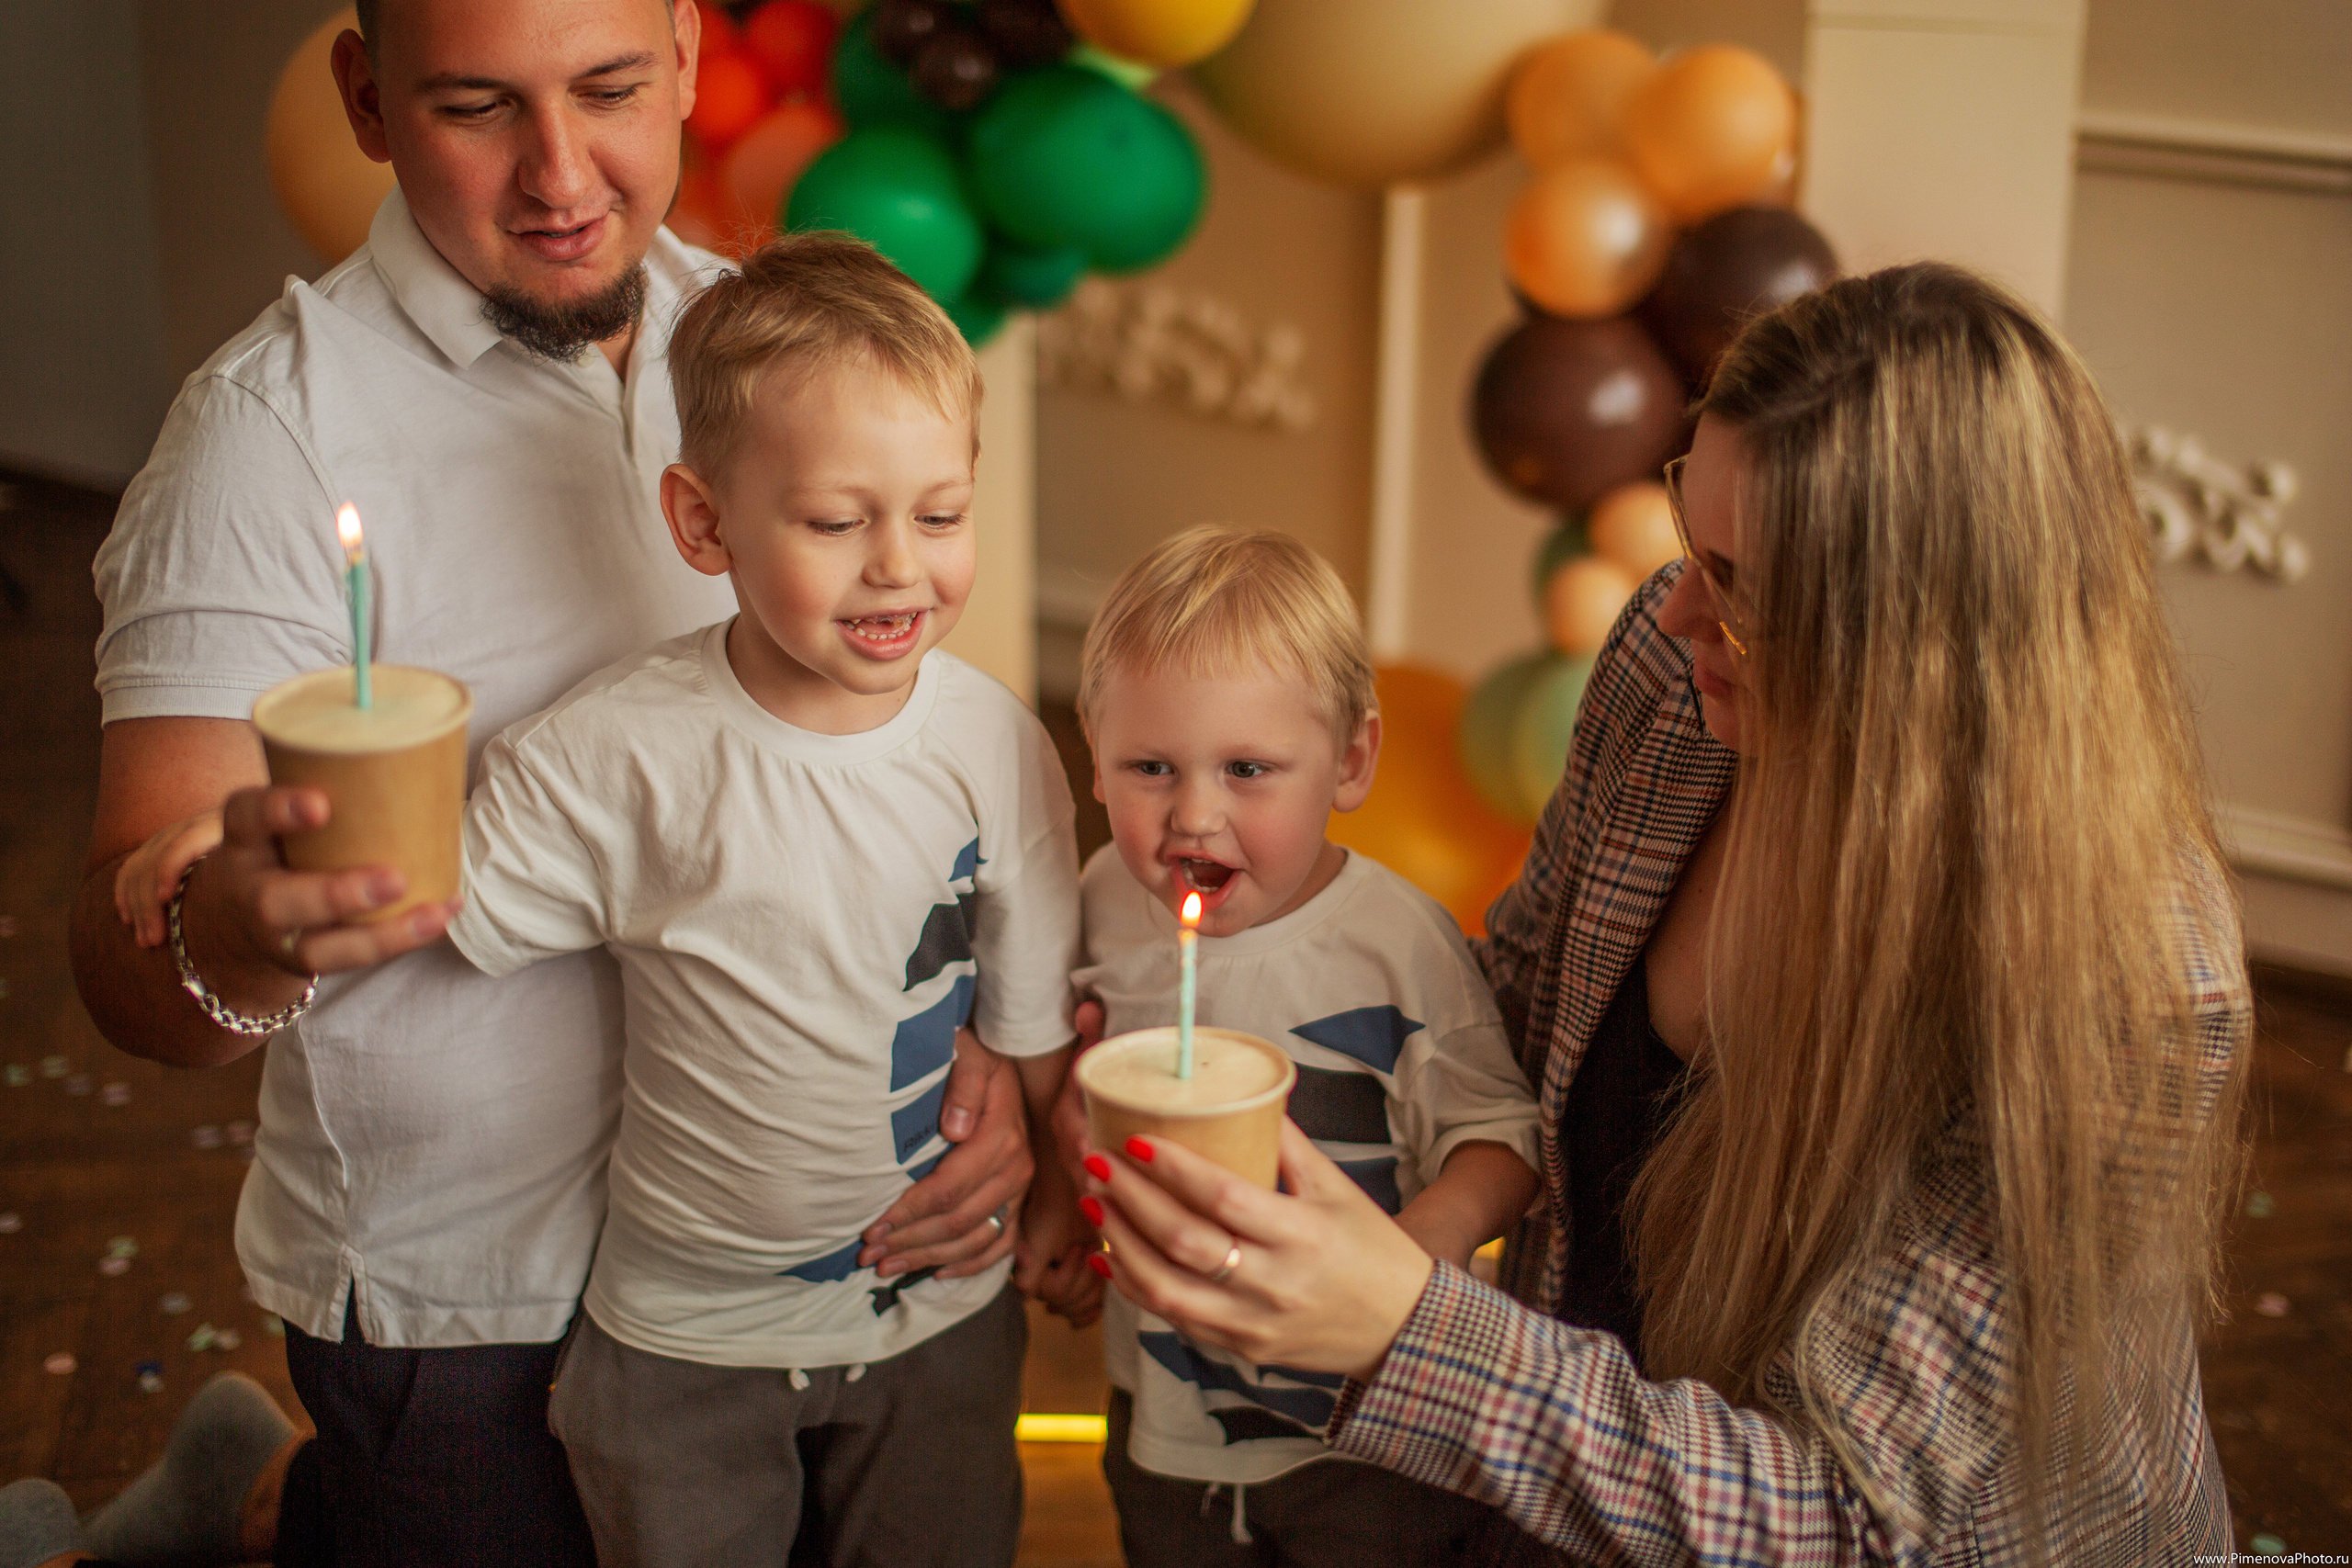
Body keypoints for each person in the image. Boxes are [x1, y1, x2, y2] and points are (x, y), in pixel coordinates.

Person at [1077, 264, 2252, 1564]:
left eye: (1741, 583)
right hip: (1570, 1462)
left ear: (1914, 649)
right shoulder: (1671, 678)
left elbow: (1854, 1521)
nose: (1674, 605)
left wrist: (1406, 1323)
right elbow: (1520, 997)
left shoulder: (2124, 989)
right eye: (1691, 535)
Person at [60, 4, 1032, 1563]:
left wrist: (992, 1056)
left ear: (692, 65)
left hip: (794, 1254)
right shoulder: (264, 443)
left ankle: (249, 1503)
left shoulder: (786, 359)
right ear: (369, 101)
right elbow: (128, 974)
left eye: (610, 90)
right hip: (474, 1306)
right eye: (476, 107)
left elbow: (905, 768)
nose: (562, 175)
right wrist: (238, 928)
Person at [443, 232, 1087, 1567]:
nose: (900, 566)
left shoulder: (1000, 744)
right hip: (688, 1337)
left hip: (940, 1313)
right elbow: (434, 903)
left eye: (941, 513)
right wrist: (262, 848)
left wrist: (1051, 1194)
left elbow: (1029, 1025)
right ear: (703, 520)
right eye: (839, 521)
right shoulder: (614, 752)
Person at [1070, 526, 1541, 1564]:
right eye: (1149, 765)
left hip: (1367, 1439)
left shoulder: (1393, 947)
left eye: (1248, 768)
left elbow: (1504, 1135)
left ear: (1351, 760)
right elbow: (1074, 1067)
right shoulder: (1102, 896)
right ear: (1093, 755)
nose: (1194, 813)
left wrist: (1423, 1245)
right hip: (1162, 1412)